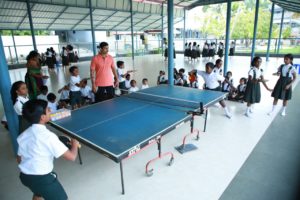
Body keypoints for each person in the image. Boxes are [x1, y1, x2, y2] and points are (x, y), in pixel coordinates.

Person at [17, 99, 79, 200]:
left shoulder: (23, 135)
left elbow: (19, 158)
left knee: (38, 193)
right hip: (42, 179)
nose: (50, 110)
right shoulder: (49, 137)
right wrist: (75, 143)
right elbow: (72, 157)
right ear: (42, 117)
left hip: (25, 177)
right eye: (48, 110)